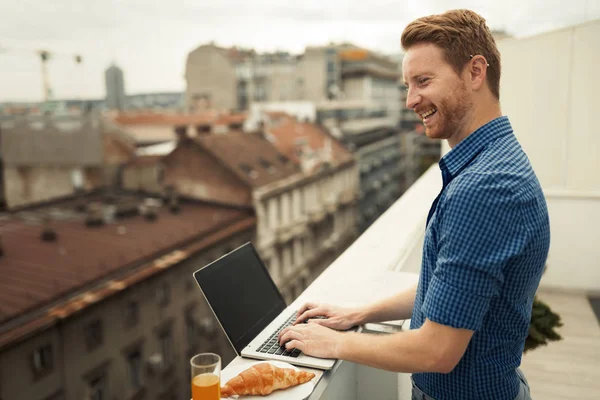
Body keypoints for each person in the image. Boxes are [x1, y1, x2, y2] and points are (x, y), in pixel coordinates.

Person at [279, 9, 550, 400]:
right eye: (408, 85)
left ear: (476, 72)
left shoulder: (485, 187)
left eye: (423, 81)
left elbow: (437, 350)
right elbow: (456, 290)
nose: (410, 101)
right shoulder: (494, 160)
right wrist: (359, 314)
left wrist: (332, 343)